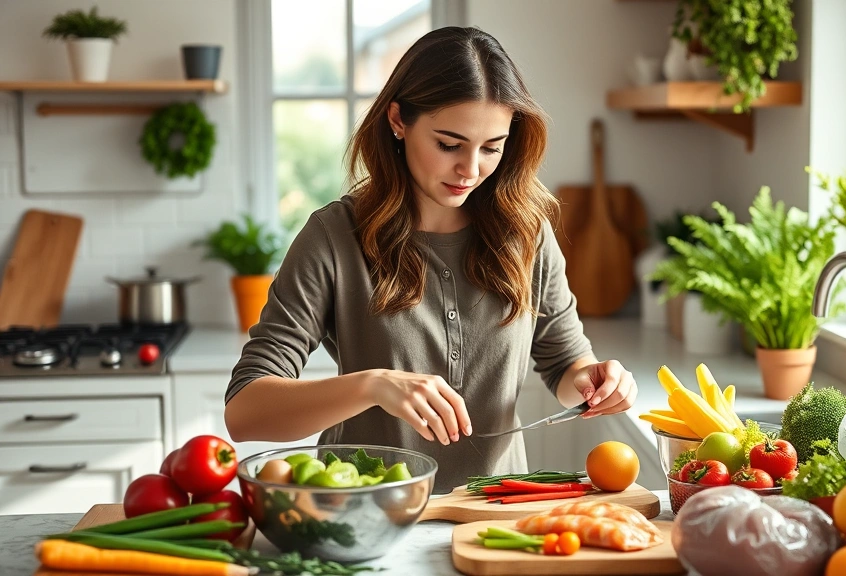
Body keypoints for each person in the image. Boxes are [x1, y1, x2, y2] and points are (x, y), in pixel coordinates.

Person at [224, 26, 638, 493]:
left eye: (492, 147)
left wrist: (597, 382)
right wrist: (374, 385)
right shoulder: (334, 237)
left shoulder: (528, 233)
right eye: (449, 144)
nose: (471, 169)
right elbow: (244, 410)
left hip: (495, 515)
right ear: (398, 120)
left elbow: (566, 364)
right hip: (367, 514)